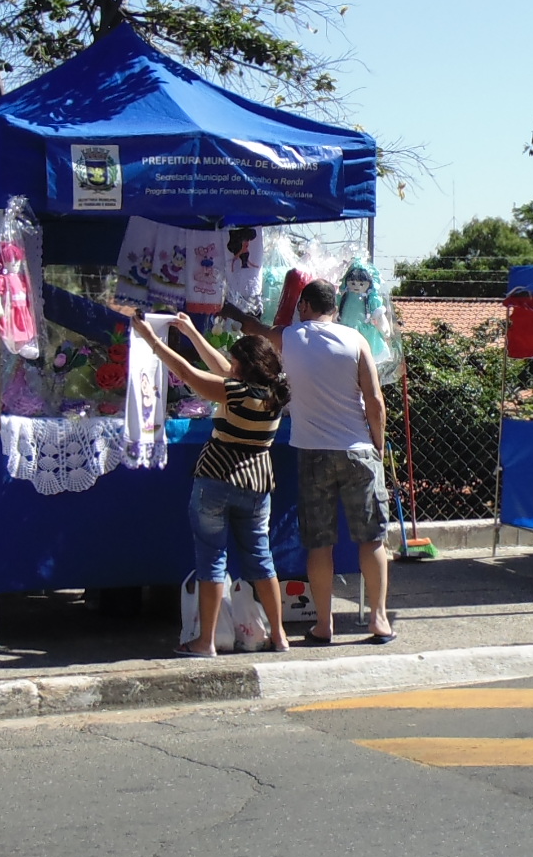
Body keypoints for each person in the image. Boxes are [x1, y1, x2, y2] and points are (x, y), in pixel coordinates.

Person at [135, 312, 292, 659]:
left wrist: (152, 340)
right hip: (257, 484)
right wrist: (191, 331)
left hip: (216, 479)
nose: (229, 365)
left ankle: (205, 641)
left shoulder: (233, 393)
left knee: (211, 560)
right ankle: (279, 634)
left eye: (234, 361)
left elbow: (189, 374)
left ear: (243, 367)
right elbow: (221, 367)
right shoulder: (273, 395)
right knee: (261, 559)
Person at [275, 278, 394, 644]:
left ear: (305, 306)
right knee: (372, 540)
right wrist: (378, 443)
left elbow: (257, 331)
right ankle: (378, 620)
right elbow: (374, 400)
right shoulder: (355, 340)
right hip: (358, 449)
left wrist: (230, 312)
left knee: (319, 543)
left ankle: (324, 624)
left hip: (312, 453)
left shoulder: (290, 337)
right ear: (335, 308)